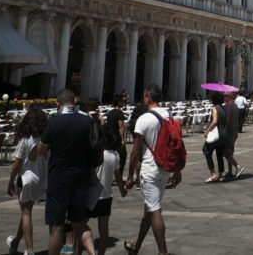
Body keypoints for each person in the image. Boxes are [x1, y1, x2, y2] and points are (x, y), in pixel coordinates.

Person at [35, 89, 101, 255]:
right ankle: (91, 252)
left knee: (57, 226)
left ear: (57, 104)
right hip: (81, 175)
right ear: (76, 100)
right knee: (79, 222)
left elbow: (42, 150)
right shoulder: (87, 120)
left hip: (59, 177)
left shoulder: (55, 121)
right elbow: (95, 146)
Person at [125, 84, 174, 255]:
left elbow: (135, 152)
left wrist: (130, 176)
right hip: (165, 168)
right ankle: (136, 245)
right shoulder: (169, 115)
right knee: (150, 208)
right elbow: (176, 144)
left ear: (149, 98)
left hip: (150, 169)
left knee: (155, 210)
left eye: (144, 96)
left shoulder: (144, 119)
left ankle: (163, 252)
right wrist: (178, 170)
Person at [6, 106, 48, 255]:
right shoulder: (46, 140)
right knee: (26, 211)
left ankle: (30, 249)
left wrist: (11, 180)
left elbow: (17, 164)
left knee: (26, 213)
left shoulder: (25, 140)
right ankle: (16, 242)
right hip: (42, 179)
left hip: (26, 178)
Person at [94, 120, 129, 255]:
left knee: (80, 225)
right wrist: (122, 190)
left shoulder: (95, 153)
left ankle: (81, 249)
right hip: (106, 195)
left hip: (92, 194)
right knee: (104, 231)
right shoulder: (114, 155)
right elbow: (118, 176)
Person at [201, 95, 229, 182]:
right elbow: (227, 119)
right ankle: (221, 175)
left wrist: (207, 131)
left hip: (217, 135)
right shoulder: (224, 108)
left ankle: (213, 173)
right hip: (224, 134)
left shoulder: (215, 108)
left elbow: (215, 121)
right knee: (219, 155)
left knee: (206, 151)